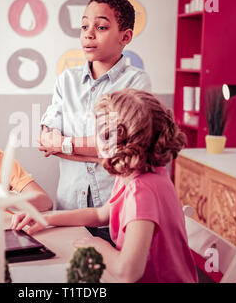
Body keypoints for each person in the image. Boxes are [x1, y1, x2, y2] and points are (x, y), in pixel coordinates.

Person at [12, 89, 198, 283]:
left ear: (122, 142)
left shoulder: (142, 191)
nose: (95, 140)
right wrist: (44, 218)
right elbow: (100, 215)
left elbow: (128, 273)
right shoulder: (137, 174)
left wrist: (99, 246)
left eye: (100, 134)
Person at [39, 0, 151, 242]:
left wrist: (64, 145)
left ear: (125, 37)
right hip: (69, 211)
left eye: (100, 27)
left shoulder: (136, 81)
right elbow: (46, 140)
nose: (88, 34)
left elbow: (122, 148)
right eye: (84, 26)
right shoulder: (66, 81)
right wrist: (99, 152)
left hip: (116, 211)